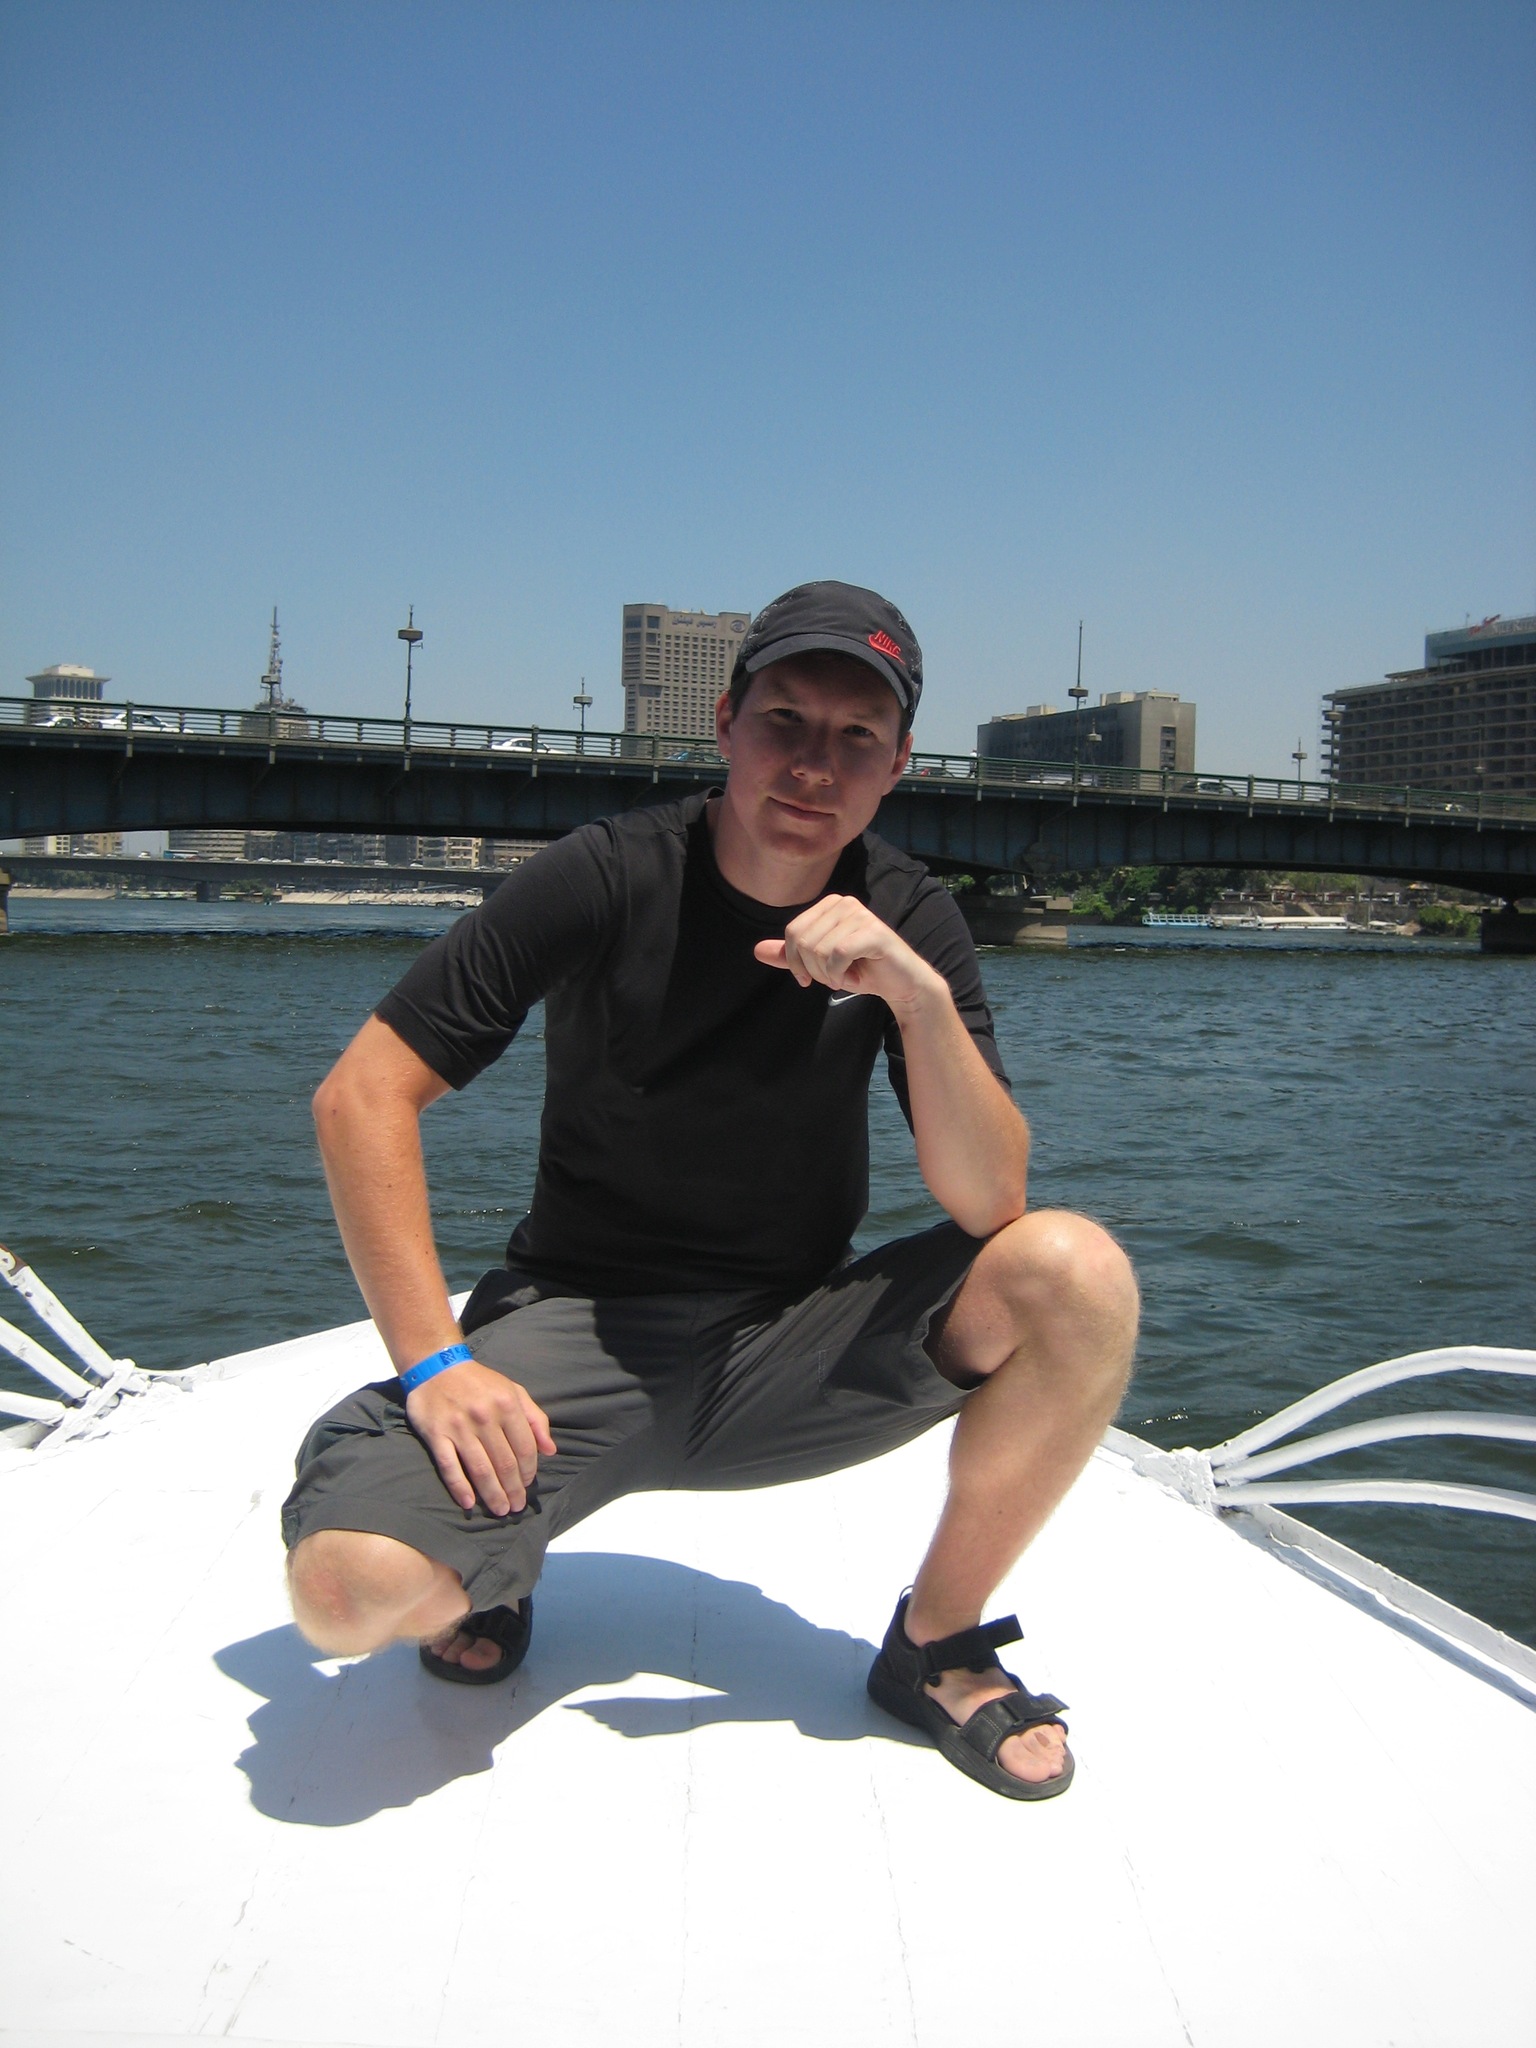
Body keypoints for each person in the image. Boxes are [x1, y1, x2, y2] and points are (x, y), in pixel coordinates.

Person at [282, 580, 1139, 1800]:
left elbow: (991, 1199)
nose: (814, 765)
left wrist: (916, 995)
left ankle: (936, 1642)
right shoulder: (604, 873)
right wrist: (435, 1363)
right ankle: (492, 1562)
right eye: (785, 720)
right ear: (727, 722)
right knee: (344, 1590)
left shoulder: (910, 912)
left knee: (1076, 1271)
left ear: (898, 764)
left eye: (856, 736)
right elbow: (361, 1096)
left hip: (788, 1341)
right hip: (580, 1325)